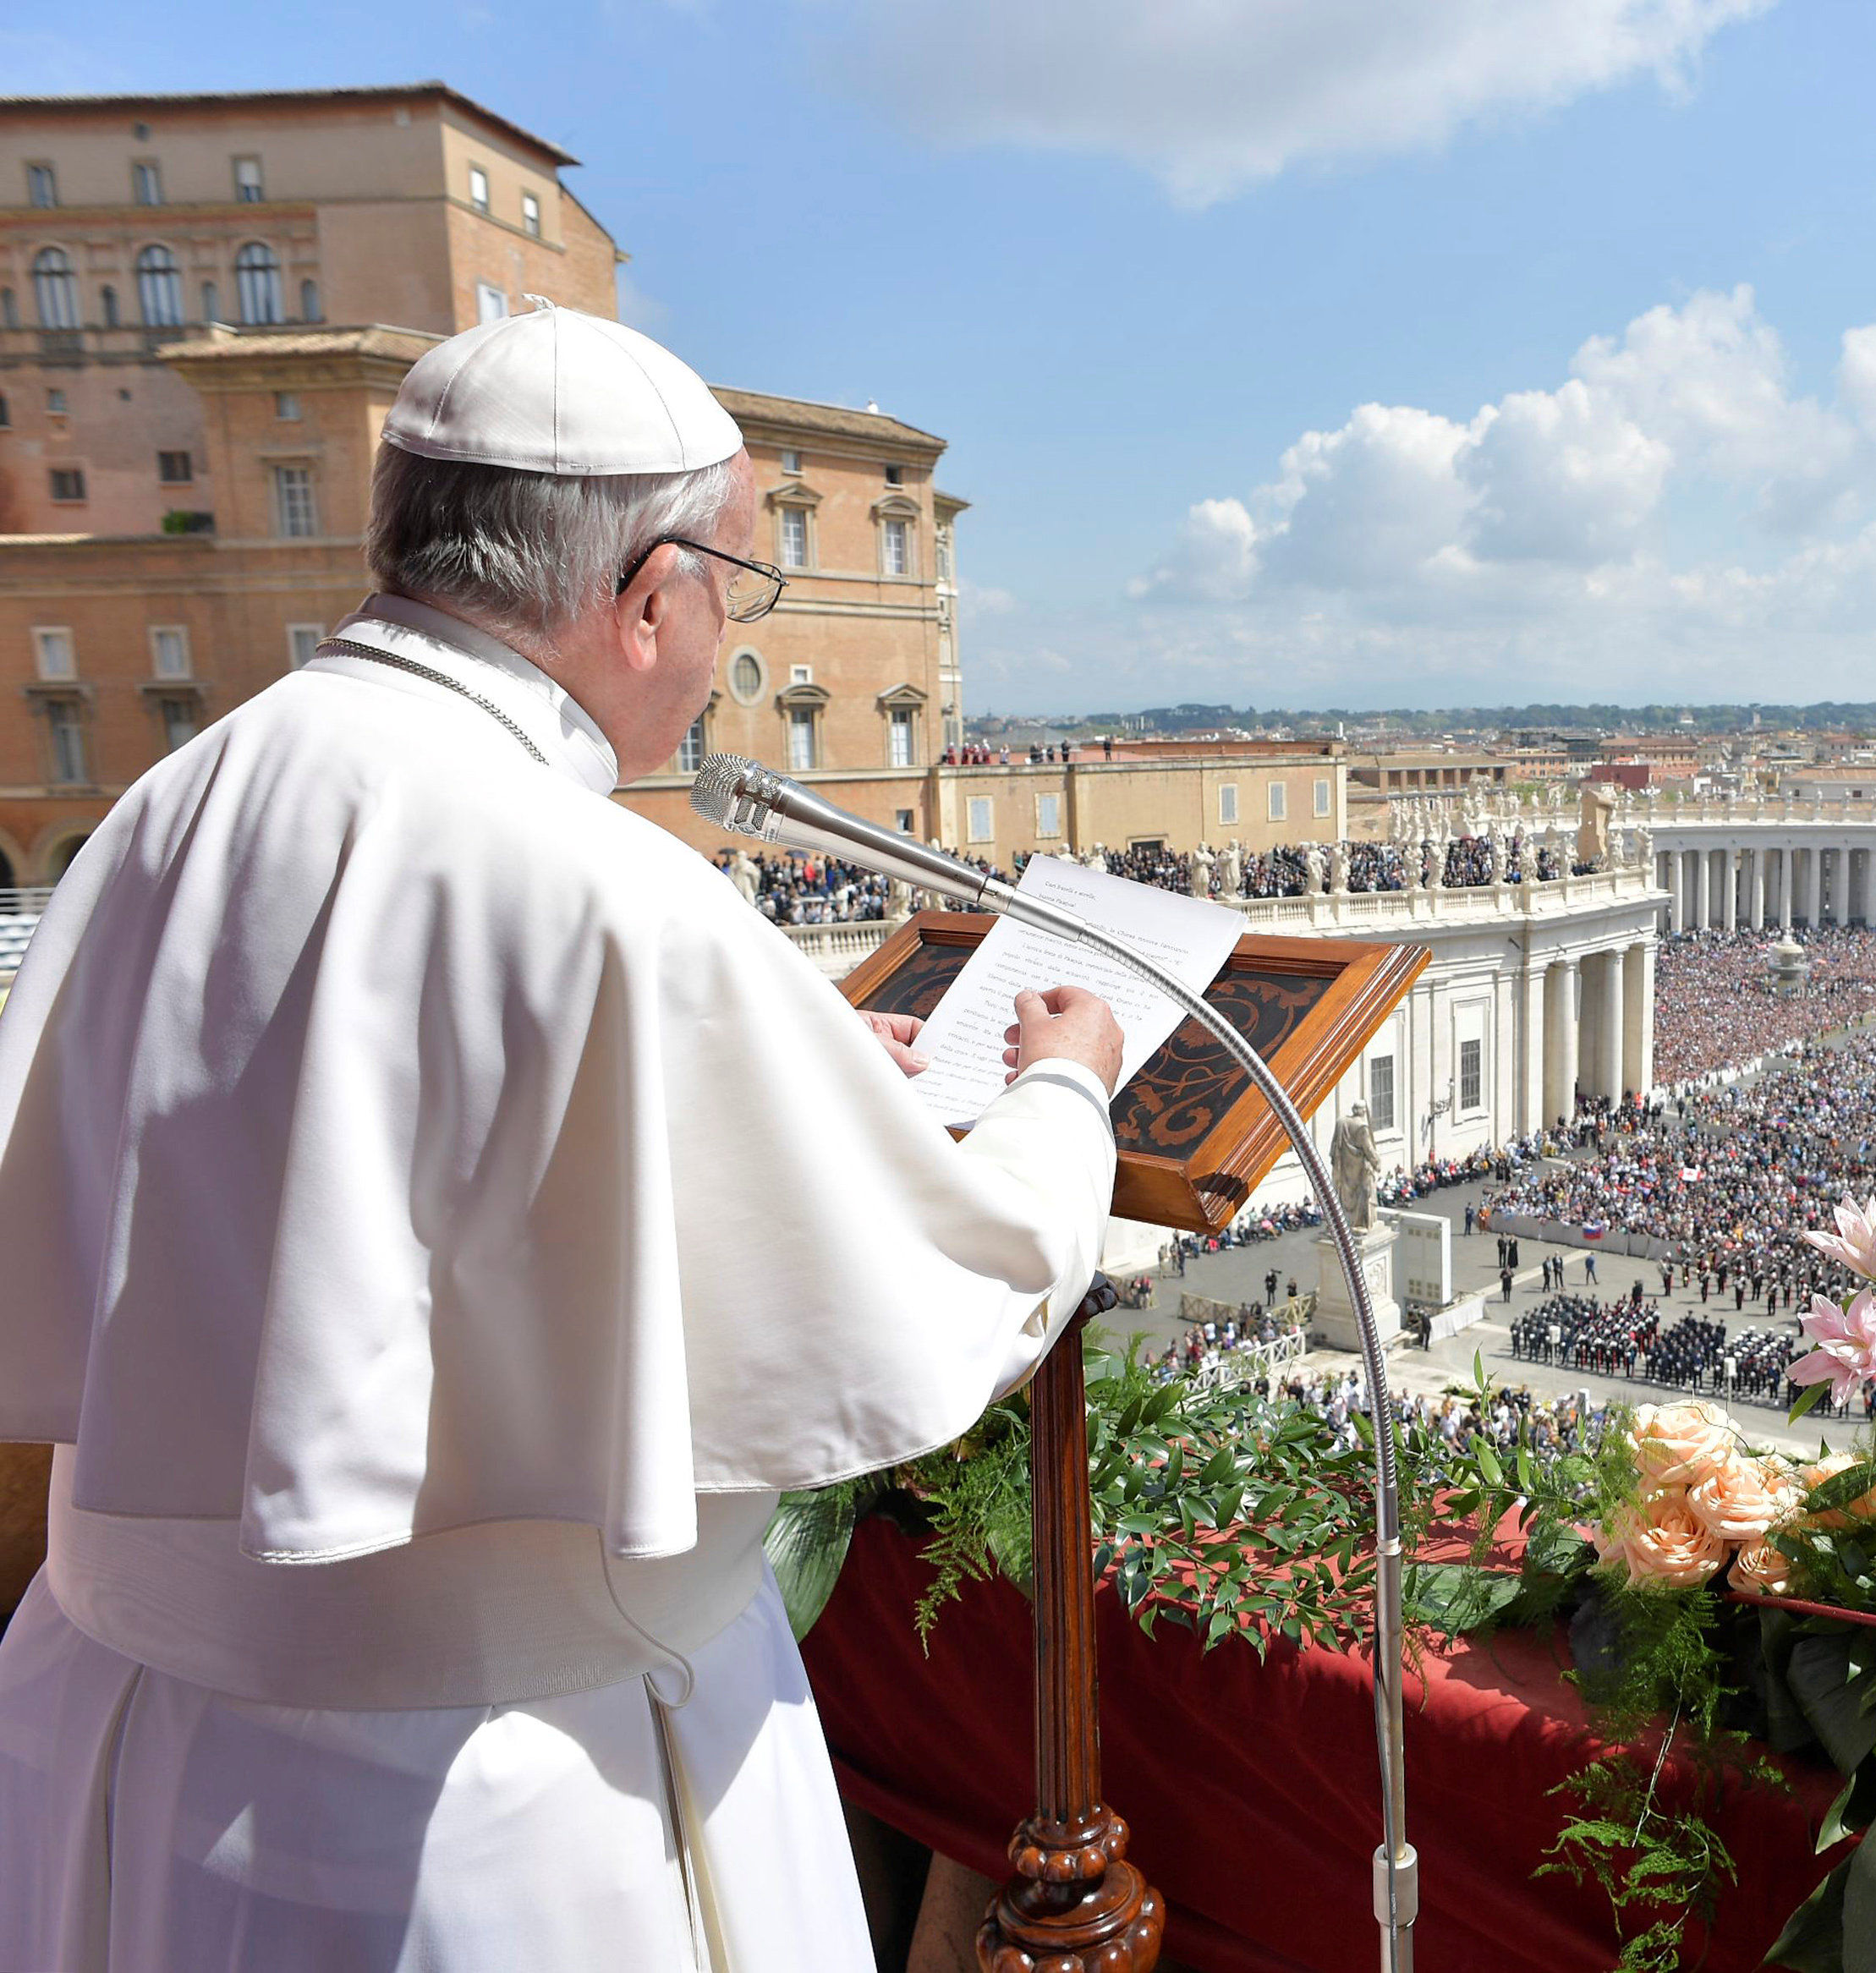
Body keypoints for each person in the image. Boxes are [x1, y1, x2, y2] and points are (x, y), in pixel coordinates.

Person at [0, 304, 1127, 1971]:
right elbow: (940, 1292)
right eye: (738, 588)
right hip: (496, 1809)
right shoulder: (605, 882)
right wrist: (1063, 1092)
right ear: (649, 590)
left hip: (123, 1732)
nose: (720, 634)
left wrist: (798, 1068)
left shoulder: (187, 795)